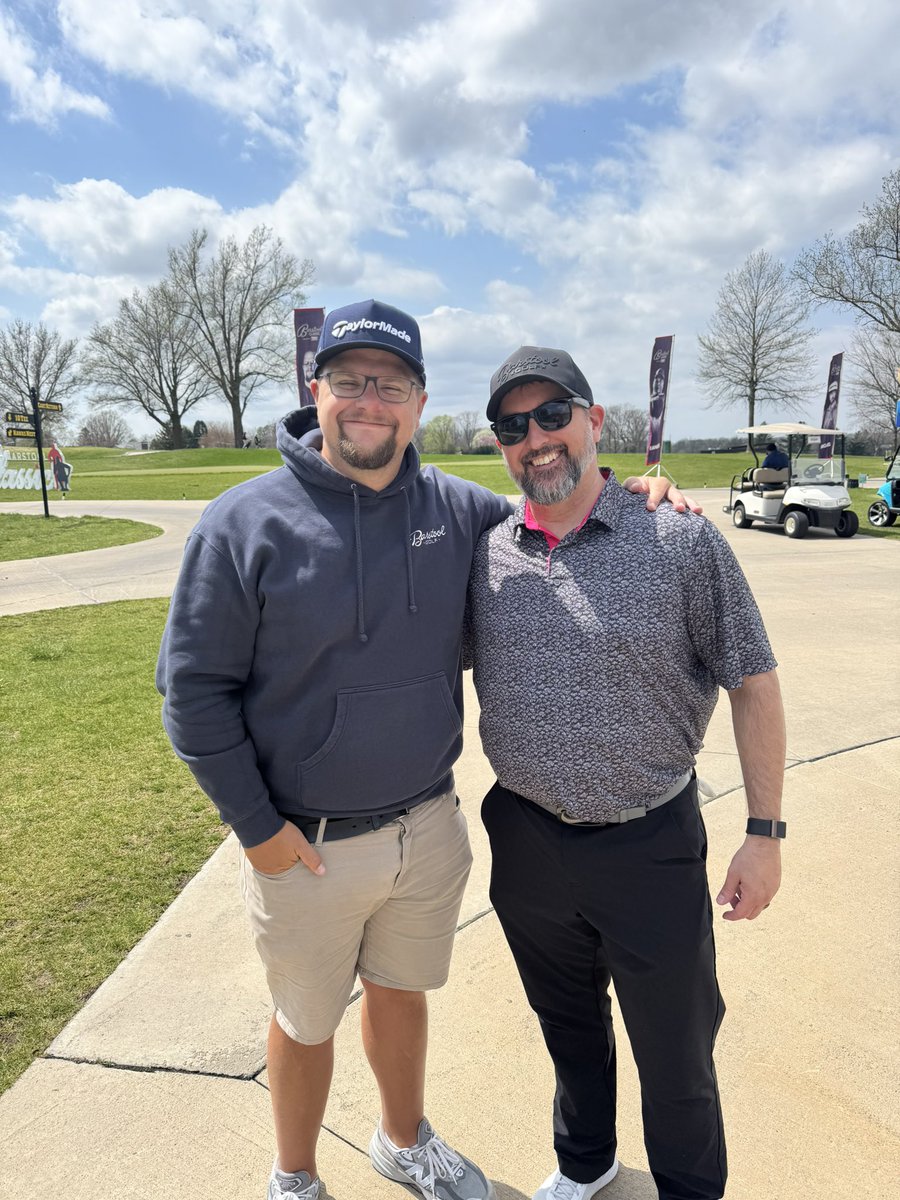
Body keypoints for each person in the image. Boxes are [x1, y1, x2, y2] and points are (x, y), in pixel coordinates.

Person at [156, 302, 694, 1200]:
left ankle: (403, 1141)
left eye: (392, 384)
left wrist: (645, 490)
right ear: (316, 390)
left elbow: (556, 500)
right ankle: (294, 1176)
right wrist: (256, 829)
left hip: (426, 827)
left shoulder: (458, 510)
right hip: (304, 843)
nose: (371, 401)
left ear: (418, 400)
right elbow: (192, 694)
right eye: (352, 381)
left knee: (404, 994)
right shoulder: (242, 524)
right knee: (305, 1019)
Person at [465, 346, 786, 1200]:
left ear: (597, 421)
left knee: (675, 1054)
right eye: (511, 425)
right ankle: (586, 1163)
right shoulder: (485, 552)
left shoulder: (679, 538)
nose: (535, 438)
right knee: (567, 1023)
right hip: (528, 838)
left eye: (552, 414)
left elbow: (754, 683)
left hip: (648, 842)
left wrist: (764, 833)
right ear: (498, 443)